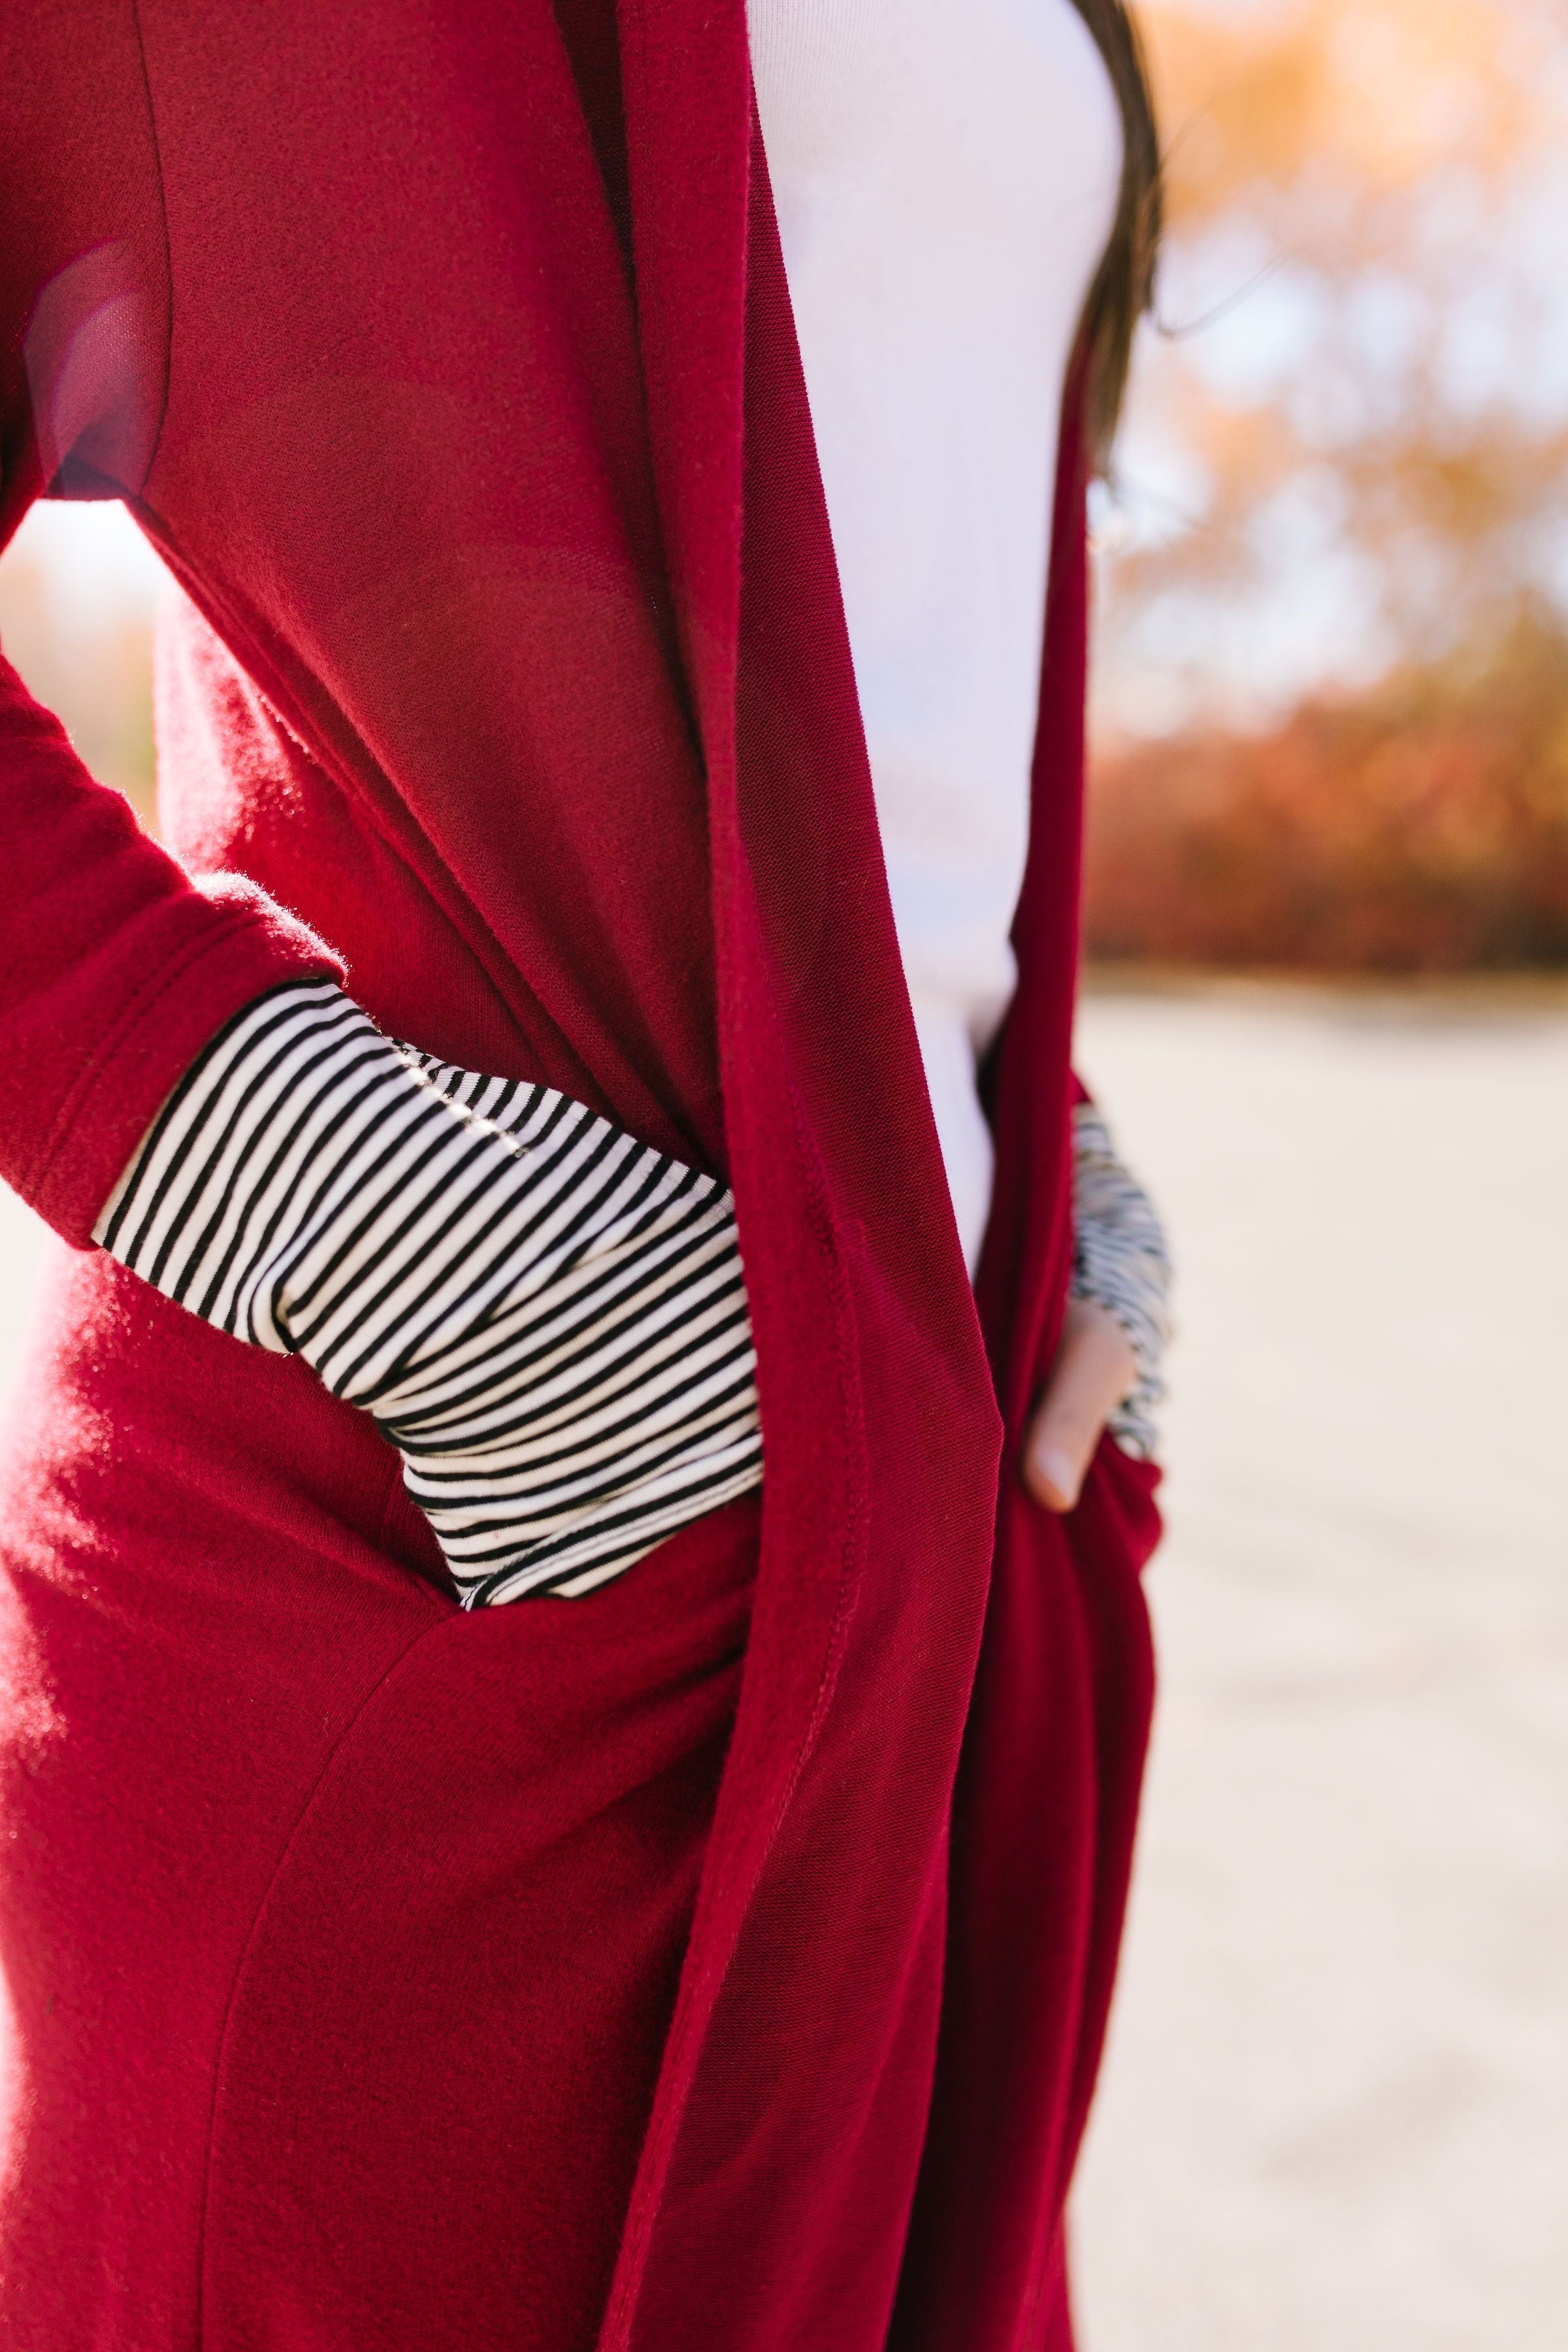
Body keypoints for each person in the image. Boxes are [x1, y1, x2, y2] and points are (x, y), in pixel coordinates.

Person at [0, 2, 1169, 2345]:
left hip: (935, 1590)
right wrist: (404, 1236)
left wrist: (1052, 1150)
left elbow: (903, 619)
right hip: (435, 1608)